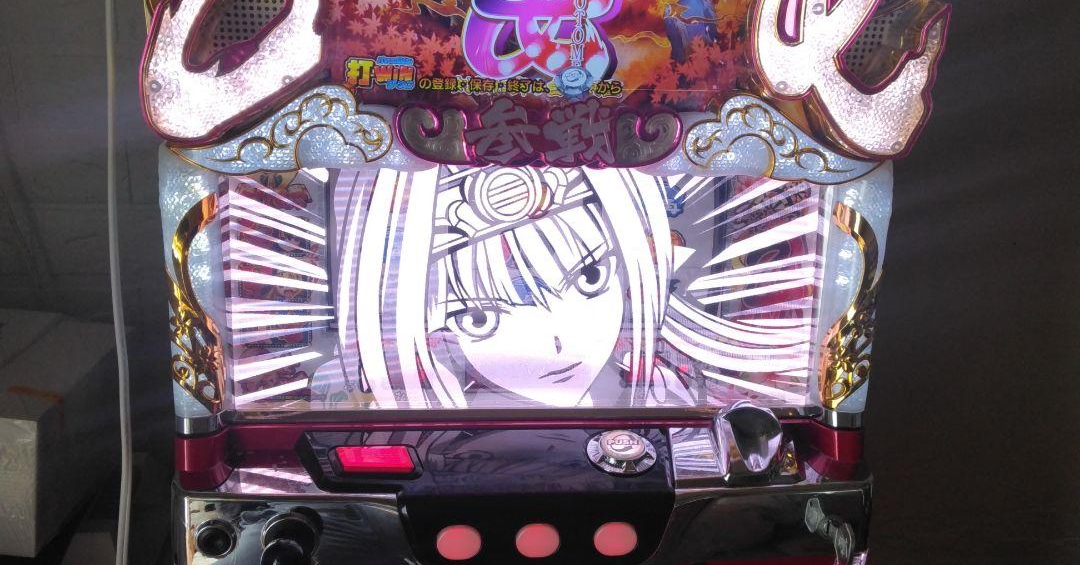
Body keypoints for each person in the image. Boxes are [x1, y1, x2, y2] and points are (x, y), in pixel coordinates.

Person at [313, 166, 816, 410]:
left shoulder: (668, 389)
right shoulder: (406, 399)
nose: (555, 341)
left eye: (590, 277)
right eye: (479, 317)